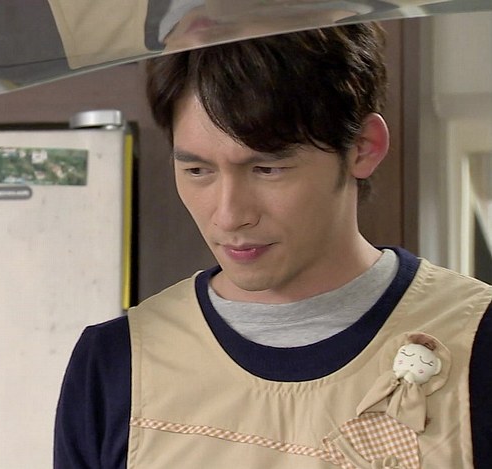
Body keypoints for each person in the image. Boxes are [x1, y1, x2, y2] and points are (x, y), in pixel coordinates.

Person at [54, 22, 492, 468]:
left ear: (363, 148)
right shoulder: (117, 362)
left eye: (267, 169)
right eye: (198, 171)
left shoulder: (476, 338)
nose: (229, 215)